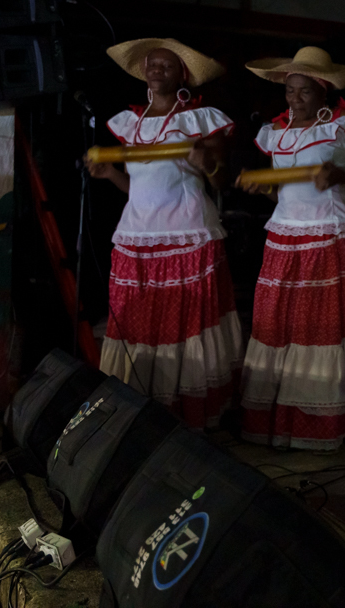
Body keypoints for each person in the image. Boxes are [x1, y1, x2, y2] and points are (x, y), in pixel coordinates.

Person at [238, 46, 345, 451]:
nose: (295, 99)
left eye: (304, 91)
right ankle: (284, 421)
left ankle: (327, 422)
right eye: (290, 91)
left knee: (322, 326)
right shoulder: (273, 132)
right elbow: (283, 195)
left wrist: (344, 176)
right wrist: (262, 188)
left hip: (331, 234)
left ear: (324, 90)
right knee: (282, 327)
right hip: (286, 236)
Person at [89, 38, 243, 431]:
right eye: (151, 64)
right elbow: (141, 187)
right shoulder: (131, 123)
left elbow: (222, 180)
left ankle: (184, 416)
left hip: (187, 232)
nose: (156, 69)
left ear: (183, 76)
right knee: (138, 324)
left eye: (167, 65)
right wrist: (112, 176)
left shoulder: (201, 119)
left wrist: (207, 162)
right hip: (137, 234)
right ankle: (139, 413)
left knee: (183, 323)